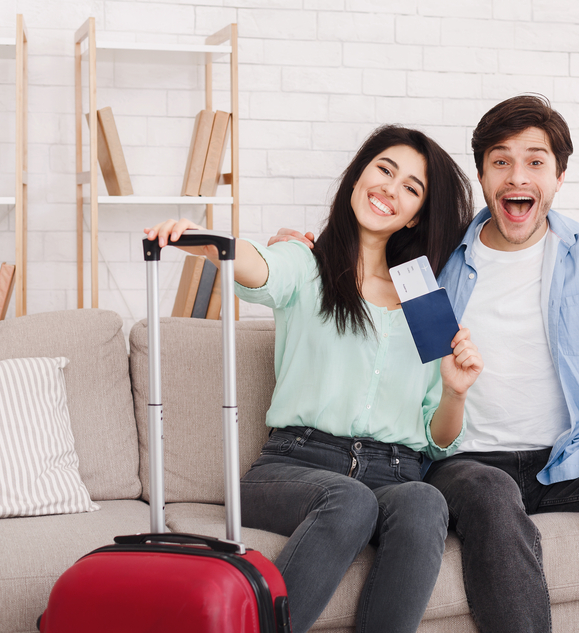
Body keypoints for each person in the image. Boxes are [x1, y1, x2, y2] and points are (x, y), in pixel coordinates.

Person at [272, 50, 579, 632]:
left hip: (572, 462)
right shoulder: (433, 264)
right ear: (483, 177)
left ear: (558, 177)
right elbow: (365, 256)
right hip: (467, 463)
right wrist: (306, 247)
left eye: (535, 162)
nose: (518, 177)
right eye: (501, 162)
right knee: (490, 492)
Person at [144, 125, 483, 633]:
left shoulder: (425, 300)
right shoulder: (307, 263)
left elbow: (437, 439)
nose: (391, 189)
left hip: (396, 472)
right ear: (358, 176)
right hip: (296, 465)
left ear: (418, 214)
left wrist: (454, 391)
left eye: (411, 188)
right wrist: (208, 243)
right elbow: (260, 269)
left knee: (425, 499)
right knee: (349, 499)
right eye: (384, 171)